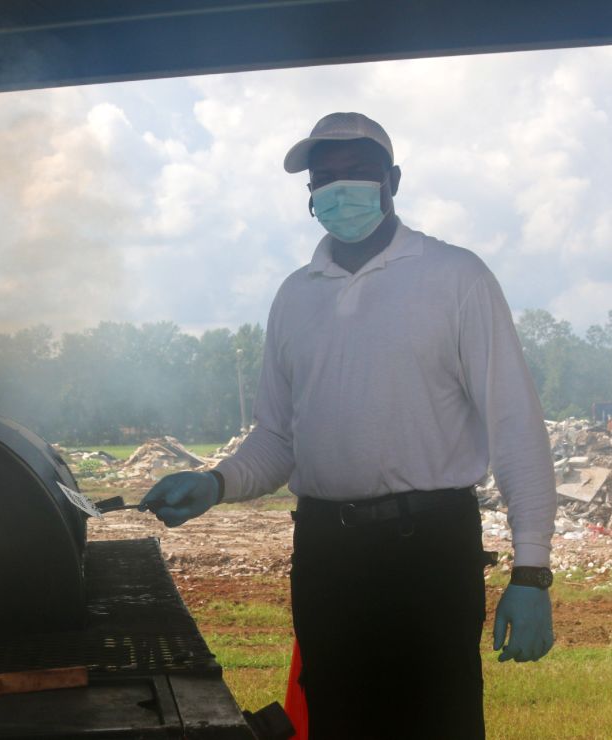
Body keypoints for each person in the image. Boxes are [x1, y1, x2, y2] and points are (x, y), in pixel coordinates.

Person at [140, 112, 557, 738]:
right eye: (322, 179)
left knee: (436, 718)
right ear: (309, 195)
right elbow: (278, 438)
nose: (338, 190)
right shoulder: (296, 296)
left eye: (356, 174)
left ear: (392, 179)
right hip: (327, 554)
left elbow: (516, 428)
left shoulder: (455, 278)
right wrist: (216, 483)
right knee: (336, 717)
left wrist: (531, 573)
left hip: (429, 552)